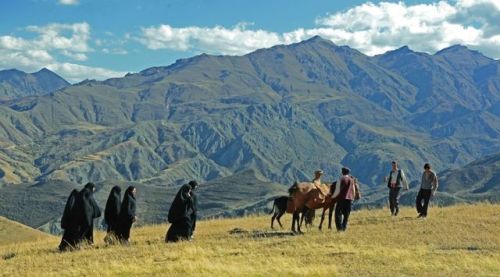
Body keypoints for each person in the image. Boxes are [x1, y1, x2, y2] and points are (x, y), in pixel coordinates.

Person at [332, 167, 355, 232]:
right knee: (346, 215)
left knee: (338, 214)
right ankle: (344, 228)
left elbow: (337, 190)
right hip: (349, 199)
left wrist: (333, 197)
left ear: (342, 172)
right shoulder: (351, 180)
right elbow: (353, 189)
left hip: (341, 199)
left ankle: (339, 229)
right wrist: (352, 197)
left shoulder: (341, 179)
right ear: (348, 172)